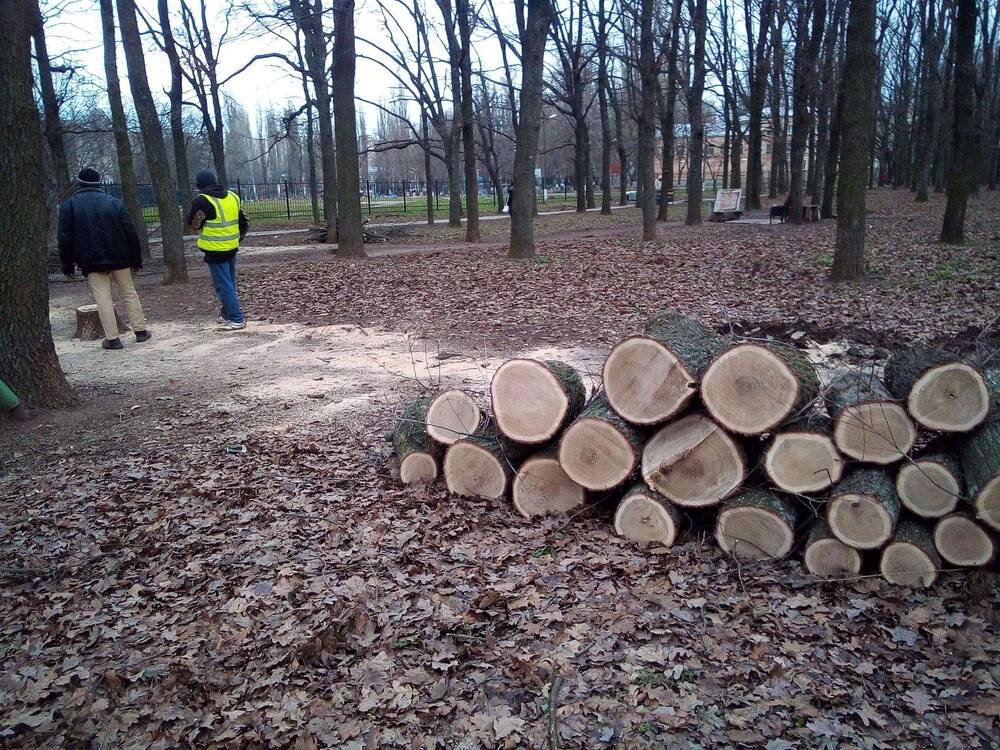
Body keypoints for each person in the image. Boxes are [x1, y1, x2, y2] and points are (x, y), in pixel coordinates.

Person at [58, 168, 150, 351]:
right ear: (99, 182)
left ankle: (113, 339)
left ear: (79, 183)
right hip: (120, 257)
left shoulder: (69, 205)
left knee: (103, 297)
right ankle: (140, 331)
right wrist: (136, 259)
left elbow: (64, 237)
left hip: (91, 260)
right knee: (129, 293)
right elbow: (130, 232)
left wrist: (67, 265)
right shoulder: (114, 203)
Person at [186, 170, 249, 331]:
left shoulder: (201, 200)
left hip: (215, 249)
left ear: (199, 185)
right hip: (232, 246)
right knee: (229, 282)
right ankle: (227, 314)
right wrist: (238, 238)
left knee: (224, 285)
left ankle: (237, 318)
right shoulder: (233, 197)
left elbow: (193, 224)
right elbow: (243, 221)